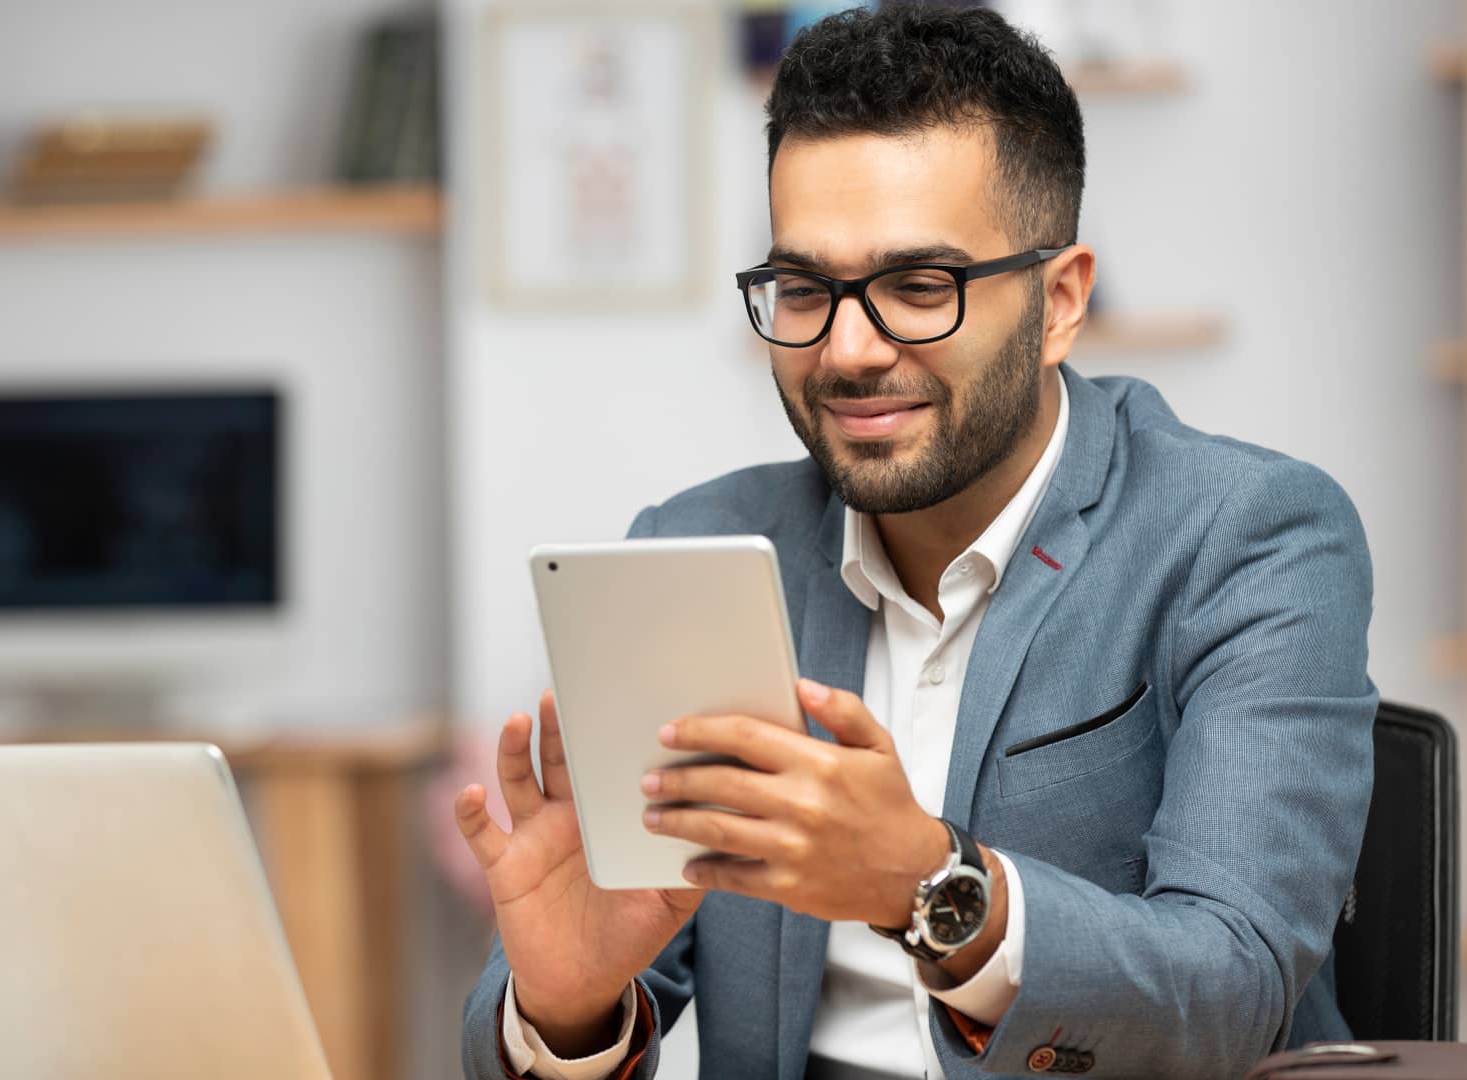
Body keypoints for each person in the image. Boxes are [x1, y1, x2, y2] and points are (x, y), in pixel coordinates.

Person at [457, 6, 1376, 1079]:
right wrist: (568, 1011)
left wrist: (928, 887)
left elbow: (1233, 990)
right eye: (804, 289)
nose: (848, 351)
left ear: (1060, 300)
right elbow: (565, 1004)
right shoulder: (698, 547)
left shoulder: (1247, 538)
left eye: (917, 288)